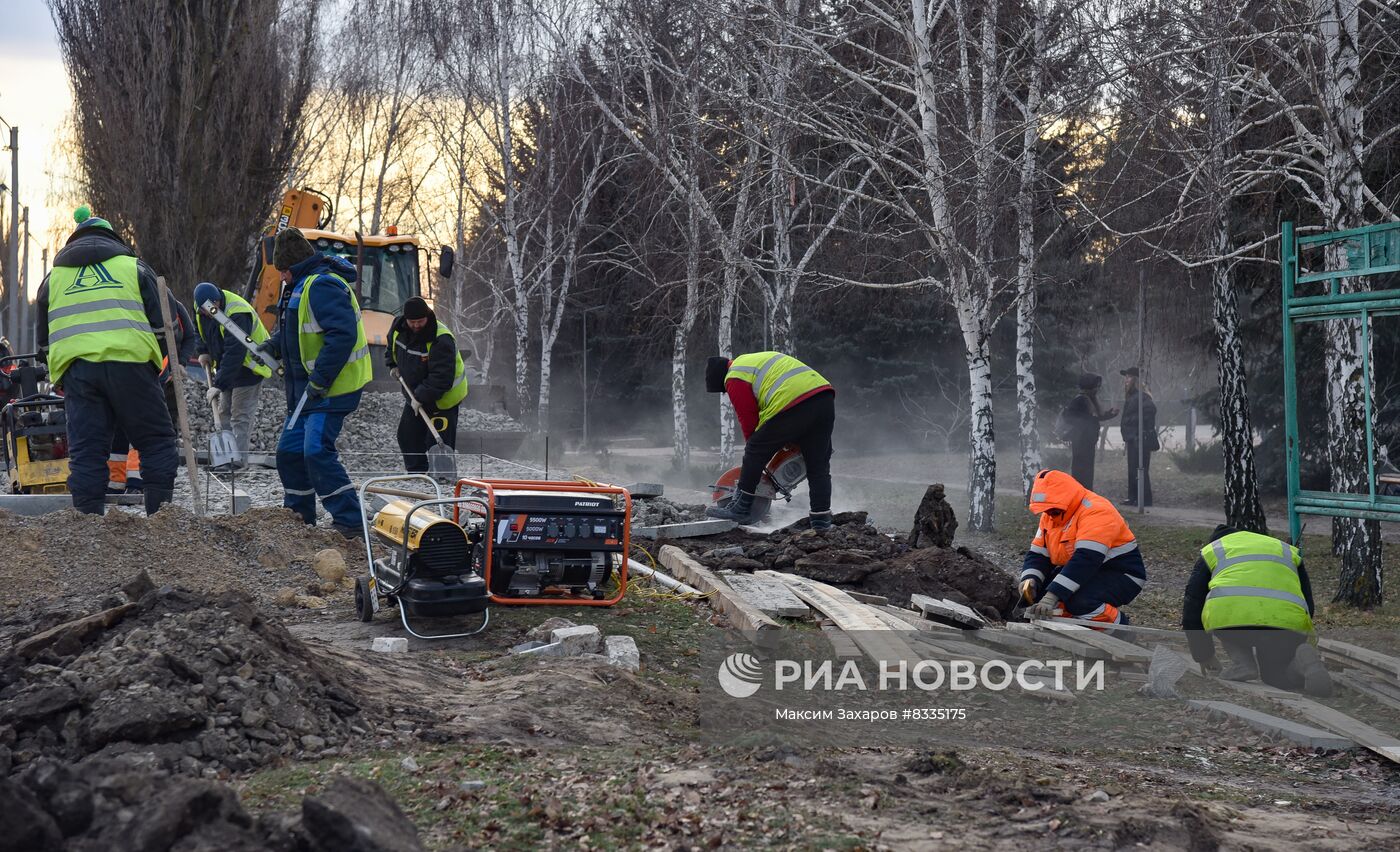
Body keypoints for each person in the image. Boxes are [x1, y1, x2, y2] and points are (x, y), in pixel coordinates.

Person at [34, 206, 177, 515]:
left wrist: (63, 372)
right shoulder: (134, 268)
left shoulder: (52, 280)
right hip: (132, 367)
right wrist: (154, 366)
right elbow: (163, 327)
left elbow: (44, 342)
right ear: (112, 237)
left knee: (86, 452)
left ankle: (89, 531)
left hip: (78, 373)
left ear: (74, 240)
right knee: (156, 442)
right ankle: (163, 523)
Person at [265, 227, 370, 536]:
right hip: (304, 394)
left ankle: (351, 522)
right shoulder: (298, 287)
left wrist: (320, 380)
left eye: (282, 270)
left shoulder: (322, 285)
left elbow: (342, 336)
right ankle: (299, 518)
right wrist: (271, 347)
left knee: (315, 451)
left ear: (292, 266)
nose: (281, 276)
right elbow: (293, 331)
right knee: (289, 453)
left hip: (331, 390)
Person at [1182, 525, 1331, 696]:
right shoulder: (1284, 549)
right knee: (1275, 677)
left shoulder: (1213, 550)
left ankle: (1242, 662)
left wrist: (1203, 655)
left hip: (1233, 621)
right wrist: (1298, 636)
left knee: (1223, 611)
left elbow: (1192, 604)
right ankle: (1300, 662)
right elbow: (1306, 599)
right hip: (1285, 622)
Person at [703, 351, 835, 528]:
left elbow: (748, 420)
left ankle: (741, 508)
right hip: (823, 397)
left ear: (721, 379)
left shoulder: (734, 376)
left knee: (755, 449)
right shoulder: (752, 362)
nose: (726, 391)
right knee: (818, 465)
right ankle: (821, 521)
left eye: (723, 390)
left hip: (794, 401)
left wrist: (756, 454)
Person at [1019, 469, 1146, 625]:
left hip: (1122, 574)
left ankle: (1121, 630)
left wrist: (1052, 596)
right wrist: (1030, 580)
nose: (1048, 514)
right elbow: (1038, 555)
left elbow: (1086, 559)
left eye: (1051, 509)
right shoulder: (1052, 514)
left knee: (1080, 602)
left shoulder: (1097, 510)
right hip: (1086, 570)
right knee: (1042, 597)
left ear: (1064, 499)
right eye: (1045, 509)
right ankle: (1069, 632)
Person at [108, 289, 197, 494]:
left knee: (151, 430)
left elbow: (190, 337)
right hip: (135, 376)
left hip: (164, 380)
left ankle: (136, 484)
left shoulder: (174, 308)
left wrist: (180, 363)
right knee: (121, 430)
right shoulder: (132, 307)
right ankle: (116, 483)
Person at [385, 297, 467, 473]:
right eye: (412, 322)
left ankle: (443, 477)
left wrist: (420, 397)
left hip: (443, 400)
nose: (416, 325)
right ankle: (418, 474)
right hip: (415, 395)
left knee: (438, 441)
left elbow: (441, 378)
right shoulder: (398, 328)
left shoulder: (441, 339)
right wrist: (392, 365)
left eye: (420, 321)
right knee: (407, 435)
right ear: (405, 319)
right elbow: (391, 347)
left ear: (428, 316)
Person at [192, 281, 269, 467]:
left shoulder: (237, 313)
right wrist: (203, 350)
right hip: (227, 365)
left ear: (217, 301)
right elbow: (199, 329)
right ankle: (225, 458)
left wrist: (218, 384)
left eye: (212, 308)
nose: (207, 312)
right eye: (204, 310)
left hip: (250, 366)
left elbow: (235, 352)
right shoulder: (201, 306)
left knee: (240, 415)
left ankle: (237, 463)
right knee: (224, 412)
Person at [1059, 373, 1117, 490]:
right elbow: (1071, 417)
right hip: (1080, 442)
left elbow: (1094, 417)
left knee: (1087, 469)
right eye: (1096, 386)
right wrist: (1089, 421)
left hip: (1087, 441)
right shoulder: (1080, 400)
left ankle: (1086, 491)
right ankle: (1081, 492)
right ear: (1089, 387)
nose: (1097, 389)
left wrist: (1109, 415)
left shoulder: (1090, 399)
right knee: (1081, 470)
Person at [1118, 367, 1158, 507]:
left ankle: (1144, 499)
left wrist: (1134, 425)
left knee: (1140, 468)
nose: (1126, 381)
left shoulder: (1142, 396)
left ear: (1135, 380)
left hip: (1139, 439)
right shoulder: (1132, 397)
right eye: (1126, 377)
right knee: (1133, 468)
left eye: (1129, 377)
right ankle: (1134, 496)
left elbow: (1150, 410)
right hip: (1132, 438)